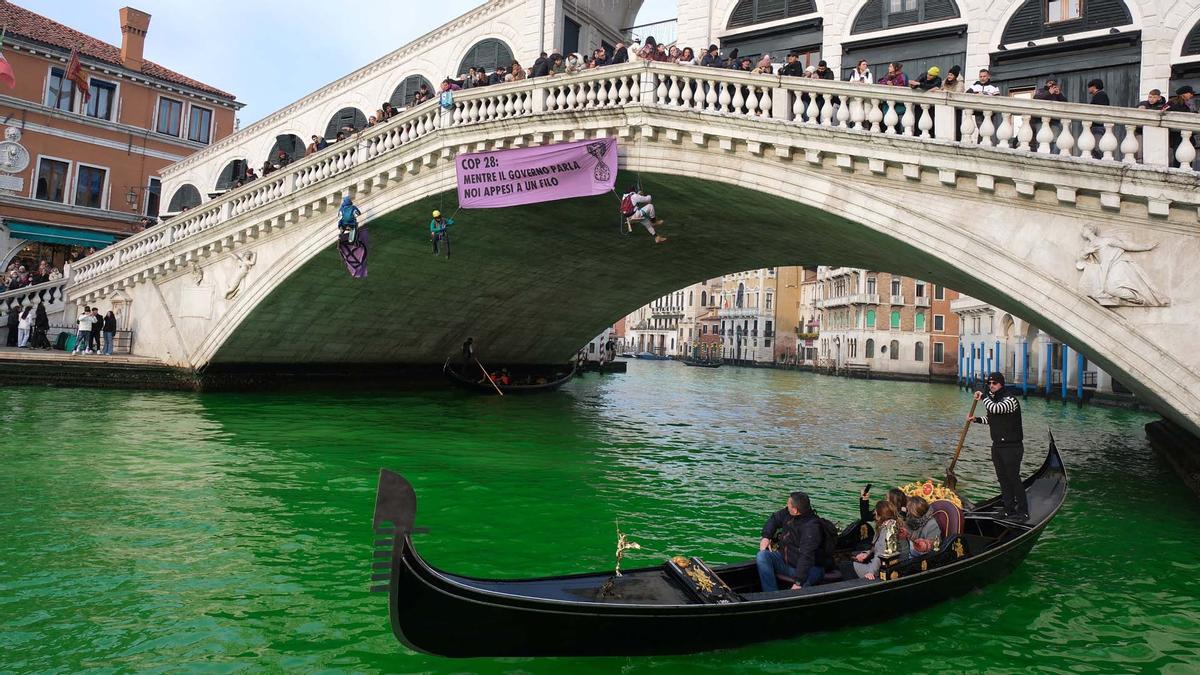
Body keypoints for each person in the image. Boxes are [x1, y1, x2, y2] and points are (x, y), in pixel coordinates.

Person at [968, 372, 1029, 521]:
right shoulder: (994, 400)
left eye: (994, 383)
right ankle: (1008, 509)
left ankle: (1023, 511)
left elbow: (996, 409)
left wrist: (983, 396)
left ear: (1001, 384)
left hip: (1012, 447)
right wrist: (975, 419)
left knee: (1013, 478)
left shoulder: (1010, 400)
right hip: (998, 447)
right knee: (1003, 478)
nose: (991, 386)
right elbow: (991, 419)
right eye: (989, 383)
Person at [757, 491, 825, 591]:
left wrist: (798, 582)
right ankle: (771, 594)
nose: (786, 505)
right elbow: (774, 519)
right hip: (786, 561)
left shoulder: (811, 528)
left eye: (788, 504)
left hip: (808, 568)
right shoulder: (788, 513)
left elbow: (806, 556)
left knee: (806, 583)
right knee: (762, 556)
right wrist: (766, 537)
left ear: (795, 510)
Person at [853, 500, 908, 580]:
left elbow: (881, 553)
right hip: (887, 564)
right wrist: (867, 553)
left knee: (846, 567)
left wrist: (871, 572)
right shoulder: (890, 524)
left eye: (875, 513)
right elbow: (878, 547)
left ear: (879, 516)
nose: (874, 515)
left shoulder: (888, 530)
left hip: (887, 569)